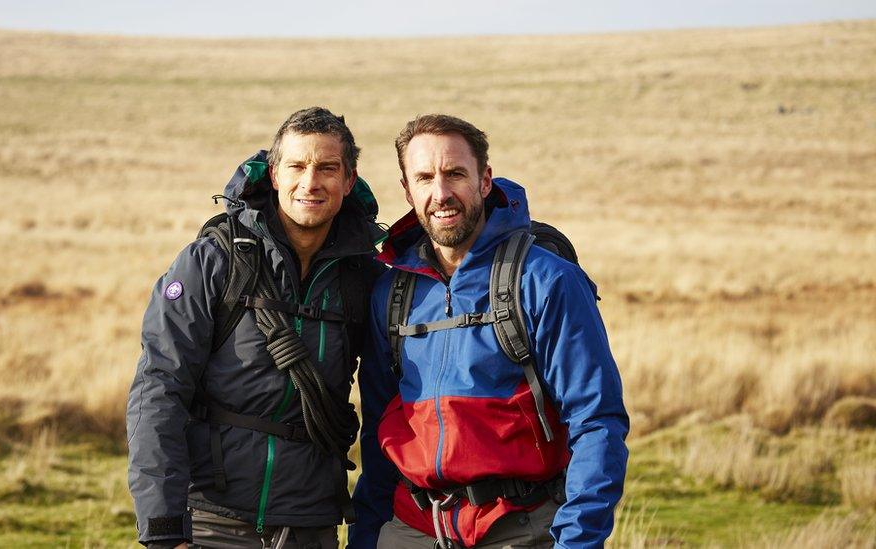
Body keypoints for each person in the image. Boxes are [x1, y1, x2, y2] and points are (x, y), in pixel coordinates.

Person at [349, 114, 629, 548]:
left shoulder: (546, 280)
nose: (440, 193)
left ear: (484, 181)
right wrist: (366, 538)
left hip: (520, 530)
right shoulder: (391, 292)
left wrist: (577, 542)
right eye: (424, 177)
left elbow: (597, 422)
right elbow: (379, 438)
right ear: (407, 190)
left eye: (455, 174)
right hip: (411, 530)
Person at [127, 107, 384, 549]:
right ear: (275, 175)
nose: (311, 182)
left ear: (348, 179)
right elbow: (158, 390)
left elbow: (393, 404)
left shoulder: (363, 276)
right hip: (211, 521)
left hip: (312, 524)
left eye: (327, 168)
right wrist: (165, 529)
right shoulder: (214, 261)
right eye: (297, 166)